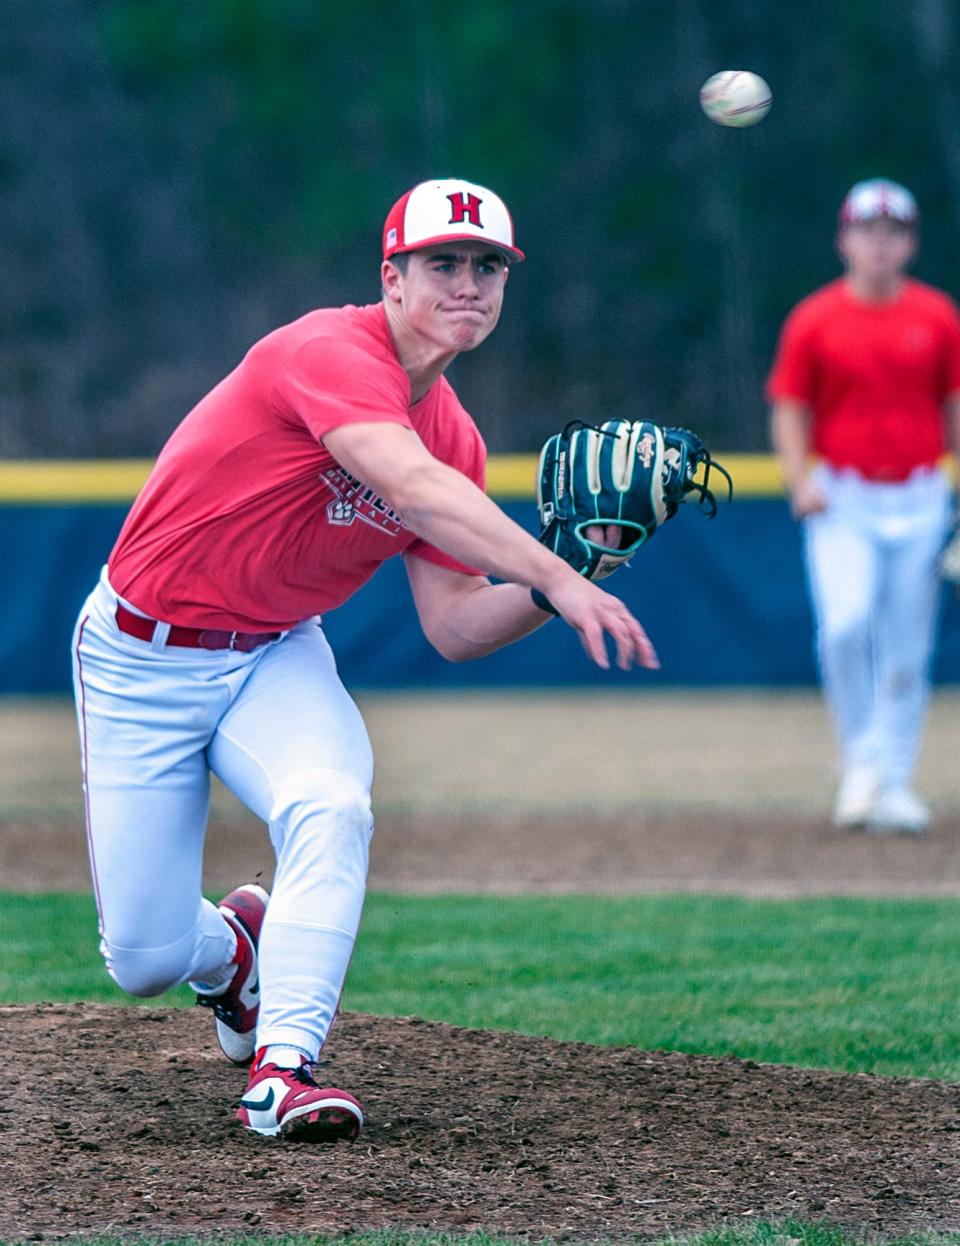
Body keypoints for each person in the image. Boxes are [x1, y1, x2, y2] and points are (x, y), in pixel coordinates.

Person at [70, 177, 659, 1142]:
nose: (467, 284)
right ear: (391, 277)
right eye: (443, 264)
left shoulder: (454, 435)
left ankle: (283, 1071)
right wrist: (562, 574)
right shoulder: (326, 350)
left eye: (487, 268)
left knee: (333, 804)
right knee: (143, 955)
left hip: (275, 654)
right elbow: (409, 486)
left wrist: (579, 566)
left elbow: (456, 625)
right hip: (143, 656)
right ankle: (231, 956)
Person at [767, 177, 960, 834]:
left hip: (919, 496)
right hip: (843, 496)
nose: (879, 244)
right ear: (844, 239)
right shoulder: (815, 319)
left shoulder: (937, 316)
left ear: (910, 242)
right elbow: (790, 407)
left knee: (908, 649)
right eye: (867, 231)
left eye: (893, 231)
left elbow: (954, 408)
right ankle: (861, 761)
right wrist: (800, 480)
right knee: (844, 627)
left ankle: (895, 781)